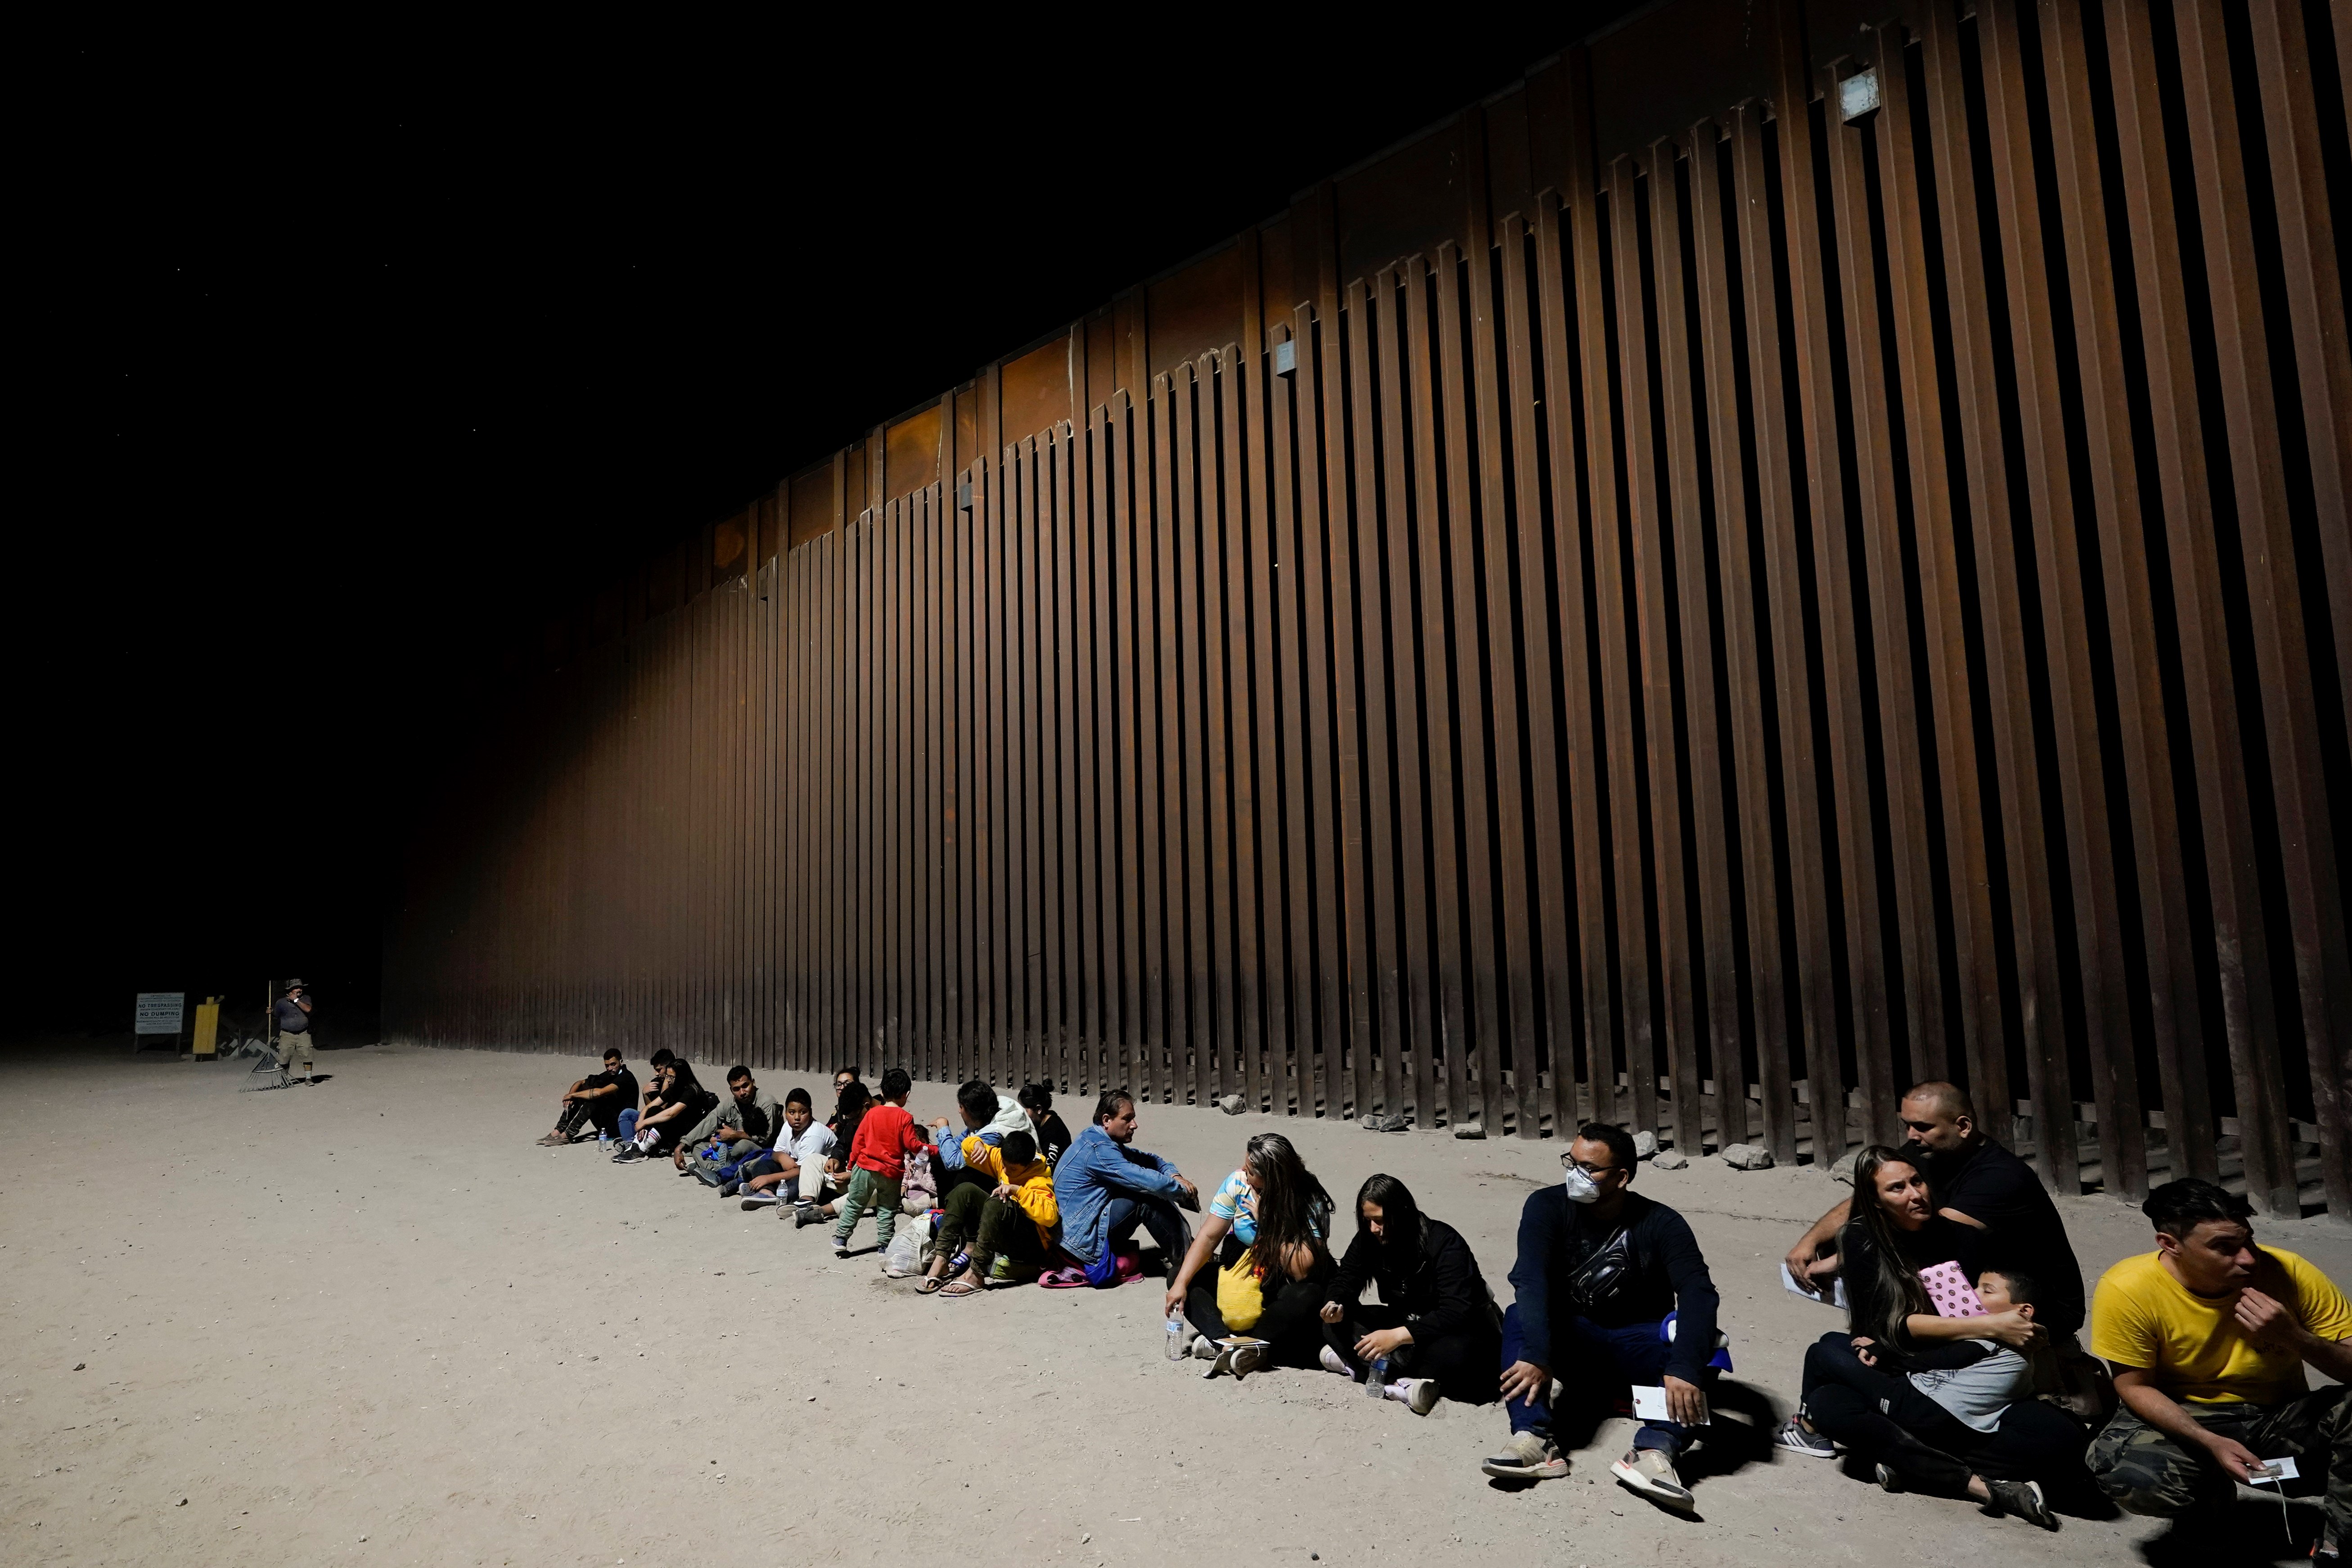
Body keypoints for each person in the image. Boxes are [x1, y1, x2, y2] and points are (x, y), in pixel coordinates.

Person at [1775, 1147, 2069, 1527]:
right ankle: (1975, 1484)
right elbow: (1886, 1329)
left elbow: (1979, 1318)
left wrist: (1998, 1329)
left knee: (2059, 1436)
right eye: (1897, 1189)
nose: (1916, 1194)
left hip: (1955, 1367)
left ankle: (1897, 1455)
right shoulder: (1863, 1240)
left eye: (1917, 1182)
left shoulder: (1960, 1238)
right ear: (1875, 1203)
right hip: (1893, 1360)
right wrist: (1990, 1327)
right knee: (1831, 1387)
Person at [2088, 1178, 2352, 1555]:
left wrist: (2294, 1337)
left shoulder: (2290, 1271)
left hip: (2275, 1414)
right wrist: (2210, 1443)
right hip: (2187, 1413)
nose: (2247, 1258)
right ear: (2170, 1245)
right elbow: (2134, 1386)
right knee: (2136, 1479)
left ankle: (2340, 1542)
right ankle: (2209, 1501)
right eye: (2224, 1248)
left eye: (2248, 1241)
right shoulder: (2128, 1287)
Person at [1480, 1123, 1720, 1513]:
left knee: (1705, 1344)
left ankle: (1655, 1448)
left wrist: (1685, 1367)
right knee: (1521, 1316)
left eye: (1588, 1168)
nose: (1575, 1174)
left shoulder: (1662, 1223)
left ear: (1622, 1177)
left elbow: (1698, 1293)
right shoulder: (1546, 1206)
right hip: (1575, 1342)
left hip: (1636, 1345)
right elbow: (1531, 1280)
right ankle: (1535, 1439)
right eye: (1571, 1163)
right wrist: (1540, 1354)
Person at [1784, 1082, 2085, 1339]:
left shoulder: (2002, 1178)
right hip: (1971, 1275)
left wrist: (1840, 1260)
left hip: (2037, 1303)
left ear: (1963, 1126)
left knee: (1890, 1317)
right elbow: (1874, 1192)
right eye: (1908, 1125)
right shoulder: (1927, 1150)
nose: (1912, 1136)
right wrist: (1811, 1241)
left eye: (1923, 1127)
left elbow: (1924, 1236)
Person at [1316, 1173, 1502, 1415]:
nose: (1374, 1229)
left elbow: (1457, 1312)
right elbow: (1346, 1279)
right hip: (1403, 1323)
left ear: (1402, 1214)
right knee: (1334, 1326)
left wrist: (1399, 1337)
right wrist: (1335, 1304)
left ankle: (1375, 1372)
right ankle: (1405, 1383)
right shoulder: (1369, 1238)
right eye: (1368, 1221)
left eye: (1381, 1221)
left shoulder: (1445, 1242)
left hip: (1453, 1332)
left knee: (1457, 1356)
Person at [1166, 1132, 1335, 1379]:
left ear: (1273, 1178)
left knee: (1306, 1295)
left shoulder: (1308, 1197)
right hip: (1250, 1273)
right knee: (1181, 1275)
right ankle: (1225, 1343)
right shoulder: (1238, 1183)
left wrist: (1266, 1223)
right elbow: (1209, 1238)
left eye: (1251, 1171)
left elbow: (1302, 1270)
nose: (1242, 1172)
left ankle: (1253, 1345)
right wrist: (1180, 1284)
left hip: (1286, 1281)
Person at [1052, 1090, 1198, 1287]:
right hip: (1080, 1237)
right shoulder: (1099, 1151)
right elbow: (1151, 1182)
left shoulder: (1100, 1139)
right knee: (1147, 1198)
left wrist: (1174, 1175)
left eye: (1134, 1118)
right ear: (1107, 1120)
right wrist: (1181, 1191)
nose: (1134, 1125)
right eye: (1127, 1119)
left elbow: (1150, 1160)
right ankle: (1191, 1263)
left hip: (1082, 1224)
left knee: (1147, 1189)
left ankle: (1191, 1254)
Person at [921, 1129, 1059, 1298]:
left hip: (1031, 1247)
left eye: (1013, 1169)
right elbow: (968, 1146)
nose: (1006, 1172)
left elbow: (1050, 1216)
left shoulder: (1039, 1179)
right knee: (965, 1190)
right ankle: (941, 1259)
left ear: (1028, 1165)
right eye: (1004, 1166)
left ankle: (976, 1275)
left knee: (997, 1203)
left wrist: (1017, 1191)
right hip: (1007, 1235)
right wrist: (977, 1143)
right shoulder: (1003, 1161)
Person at [811, 1067, 929, 1259]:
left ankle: (840, 1238)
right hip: (891, 1173)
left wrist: (852, 1165)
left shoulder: (872, 1115)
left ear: (881, 1092)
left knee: (854, 1204)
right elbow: (912, 1145)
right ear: (906, 1095)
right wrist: (932, 1150)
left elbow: (859, 1141)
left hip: (864, 1169)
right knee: (886, 1211)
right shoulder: (905, 1118)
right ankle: (884, 1247)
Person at [928, 1079, 1035, 1200]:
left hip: (1010, 1184)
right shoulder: (984, 1120)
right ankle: (944, 1210)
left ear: (971, 1113)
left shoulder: (994, 1134)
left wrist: (943, 1128)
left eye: (961, 1107)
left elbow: (952, 1162)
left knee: (963, 1176)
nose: (959, 1111)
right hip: (996, 1174)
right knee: (939, 1162)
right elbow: (959, 1143)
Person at [676, 1066, 780, 1186]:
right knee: (697, 1147)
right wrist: (681, 1147)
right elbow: (707, 1124)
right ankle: (718, 1170)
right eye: (737, 1089)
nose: (742, 1093)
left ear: (753, 1082)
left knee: (742, 1146)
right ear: (731, 1090)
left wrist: (735, 1135)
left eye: (745, 1086)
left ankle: (716, 1172)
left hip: (763, 1150)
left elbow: (766, 1138)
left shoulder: (767, 1103)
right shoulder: (729, 1104)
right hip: (732, 1150)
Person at [737, 1088, 837, 1207]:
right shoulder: (788, 1126)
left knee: (792, 1190)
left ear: (810, 1112)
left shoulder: (815, 1135)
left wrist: (768, 1179)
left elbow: (804, 1171)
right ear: (786, 1113)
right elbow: (775, 1152)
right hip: (793, 1170)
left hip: (818, 1178)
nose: (797, 1118)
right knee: (761, 1165)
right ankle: (766, 1192)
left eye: (803, 1112)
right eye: (792, 1112)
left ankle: (764, 1188)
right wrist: (781, 1157)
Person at [793, 1081, 871, 1227]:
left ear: (867, 1107)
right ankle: (806, 1202)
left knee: (870, 1191)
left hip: (870, 1182)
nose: (853, 1123)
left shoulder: (882, 1122)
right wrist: (835, 1159)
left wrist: (853, 1175)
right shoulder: (854, 1123)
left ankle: (820, 1212)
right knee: (813, 1160)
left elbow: (882, 1168)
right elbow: (841, 1144)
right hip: (849, 1175)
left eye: (855, 1119)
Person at [614, 1059, 714, 1162]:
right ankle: (636, 1144)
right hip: (672, 1127)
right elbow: (649, 1107)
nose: (668, 1080)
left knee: (664, 1117)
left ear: (681, 1077)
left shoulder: (691, 1092)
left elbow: (671, 1114)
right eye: (667, 1076)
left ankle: (642, 1148)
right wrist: (641, 1122)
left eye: (672, 1077)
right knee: (654, 1110)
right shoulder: (673, 1089)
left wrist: (644, 1123)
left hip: (688, 1131)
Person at [542, 1050, 640, 1145]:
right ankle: (558, 1130)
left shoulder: (626, 1078)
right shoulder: (610, 1074)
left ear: (621, 1062)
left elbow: (600, 1093)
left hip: (621, 1126)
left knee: (595, 1098)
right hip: (609, 1121)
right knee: (583, 1090)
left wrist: (572, 1095)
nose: (610, 1068)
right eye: (607, 1066)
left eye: (613, 1064)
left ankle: (568, 1134)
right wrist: (571, 1095)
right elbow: (581, 1083)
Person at [616, 1049, 677, 1143]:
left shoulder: (677, 1084)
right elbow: (652, 1109)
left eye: (659, 1070)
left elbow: (661, 1111)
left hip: (669, 1123)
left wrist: (666, 1086)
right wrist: (645, 1094)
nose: (656, 1074)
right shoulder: (656, 1083)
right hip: (653, 1119)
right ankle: (630, 1143)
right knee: (627, 1114)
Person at [272, 978, 316, 1085]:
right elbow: (276, 1016)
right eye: (296, 988)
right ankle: (284, 1079)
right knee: (284, 1056)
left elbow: (308, 1010)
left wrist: (296, 1001)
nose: (299, 989)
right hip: (287, 1034)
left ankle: (308, 1079)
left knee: (307, 1054)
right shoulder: (281, 1002)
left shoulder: (306, 998)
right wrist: (271, 1012)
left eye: (300, 988)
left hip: (303, 1033)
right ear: (290, 990)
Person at [1019, 1081, 1072, 1167]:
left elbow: (1048, 1167)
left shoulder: (1053, 1132)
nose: (1021, 1114)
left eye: (1025, 1111)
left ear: (1038, 1110)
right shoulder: (1039, 1122)